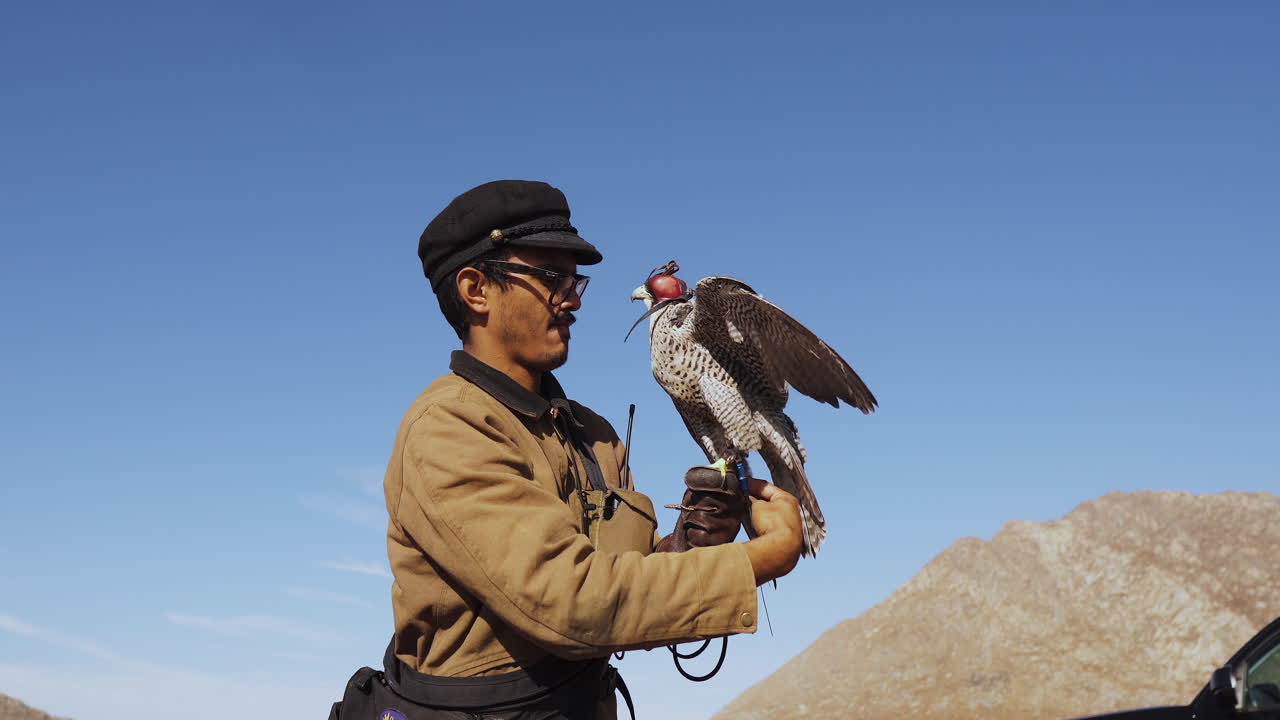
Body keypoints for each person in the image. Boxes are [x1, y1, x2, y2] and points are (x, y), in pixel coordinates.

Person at [328, 180, 803, 720]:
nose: (573, 298)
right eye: (550, 277)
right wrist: (756, 561)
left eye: (576, 280)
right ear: (475, 289)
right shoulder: (449, 429)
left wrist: (693, 546)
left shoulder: (592, 433)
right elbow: (573, 603)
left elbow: (625, 588)